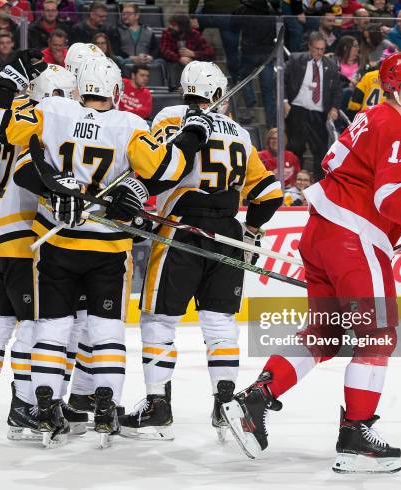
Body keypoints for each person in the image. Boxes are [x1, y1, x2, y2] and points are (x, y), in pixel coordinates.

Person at [221, 52, 401, 473]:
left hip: (321, 233)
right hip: (353, 238)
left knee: (324, 332)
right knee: (377, 336)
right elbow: (388, 197)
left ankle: (255, 400)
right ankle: (356, 438)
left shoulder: (368, 118)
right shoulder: (399, 128)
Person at [0, 52, 211, 448]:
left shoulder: (52, 110)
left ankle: (46, 403)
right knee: (106, 329)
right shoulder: (131, 124)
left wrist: (4, 91)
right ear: (116, 91)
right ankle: (105, 404)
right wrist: (193, 135)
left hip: (57, 242)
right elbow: (163, 170)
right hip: (107, 246)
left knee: (52, 328)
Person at [118, 61, 283, 442]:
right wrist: (252, 231)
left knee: (159, 321)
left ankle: (158, 406)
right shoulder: (241, 133)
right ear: (220, 92)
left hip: (180, 230)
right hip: (227, 231)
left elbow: (156, 169)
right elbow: (269, 194)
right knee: (220, 323)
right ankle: (225, 406)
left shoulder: (170, 117)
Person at [0, 59, 89, 441]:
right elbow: (40, 172)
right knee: (32, 328)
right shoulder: (40, 121)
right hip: (25, 242)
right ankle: (23, 408)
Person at [284, 32, 342, 181]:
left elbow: (337, 88)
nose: (319, 52)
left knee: (321, 150)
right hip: (298, 110)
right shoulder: (296, 60)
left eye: (322, 49)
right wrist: (284, 101)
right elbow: (281, 79)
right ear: (309, 47)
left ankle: (319, 183)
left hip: (319, 113)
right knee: (296, 148)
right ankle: (292, 182)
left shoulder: (331, 65)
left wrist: (335, 107)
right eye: (316, 48)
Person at [231, 0, 279, 126]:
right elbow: (275, 29)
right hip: (266, 54)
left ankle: (250, 102)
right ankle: (271, 123)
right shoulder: (269, 9)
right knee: (268, 90)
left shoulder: (243, 9)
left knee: (244, 79)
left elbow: (233, 26)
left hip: (249, 52)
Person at [159, 14, 215, 92]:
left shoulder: (195, 34)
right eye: (171, 24)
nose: (170, 27)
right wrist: (179, 58)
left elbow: (210, 52)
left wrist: (193, 54)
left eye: (174, 25)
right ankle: (176, 90)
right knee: (174, 65)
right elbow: (164, 50)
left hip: (192, 64)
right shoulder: (167, 33)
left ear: (182, 26)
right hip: (173, 64)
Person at [189, 0, 240, 83]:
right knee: (232, 52)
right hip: (230, 16)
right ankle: (236, 79)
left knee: (190, 34)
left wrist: (191, 16)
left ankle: (189, 67)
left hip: (209, 13)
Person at [110, 3, 160, 67]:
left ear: (137, 15)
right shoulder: (116, 31)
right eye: (123, 14)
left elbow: (156, 49)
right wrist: (130, 58)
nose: (125, 16)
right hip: (125, 65)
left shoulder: (148, 31)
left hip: (145, 66)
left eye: (128, 14)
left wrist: (150, 57)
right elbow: (115, 50)